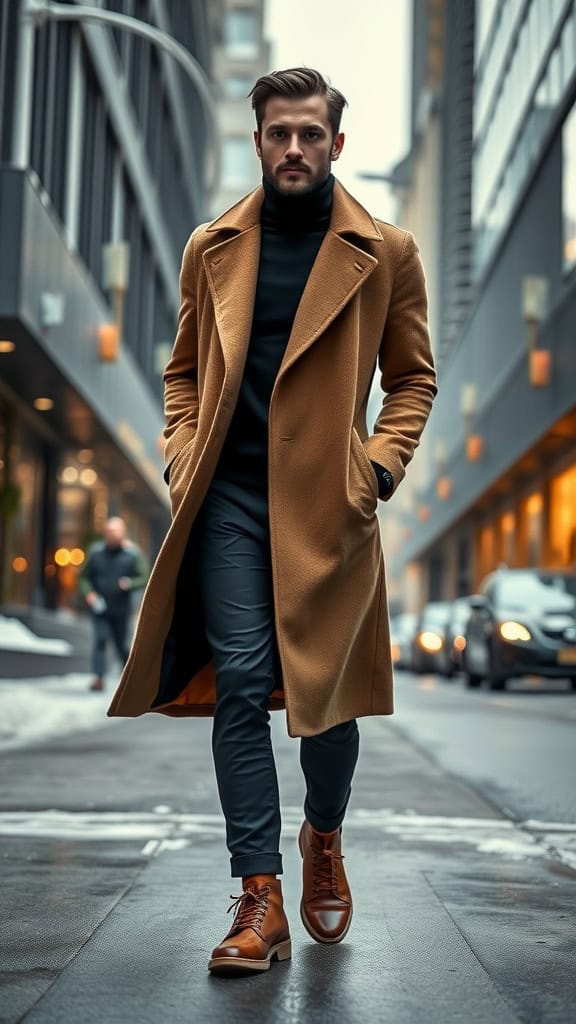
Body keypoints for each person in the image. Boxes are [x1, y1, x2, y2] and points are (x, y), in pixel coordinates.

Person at [108, 68, 437, 974]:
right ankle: (260, 899)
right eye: (279, 133)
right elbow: (181, 372)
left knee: (327, 705)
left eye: (311, 134)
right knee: (244, 684)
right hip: (230, 503)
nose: (295, 148)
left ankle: (321, 835)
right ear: (257, 141)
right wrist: (182, 458)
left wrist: (376, 467)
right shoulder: (210, 244)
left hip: (331, 505)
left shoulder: (388, 251)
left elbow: (413, 378)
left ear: (336, 143)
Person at [80, 516, 148, 692]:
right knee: (100, 640)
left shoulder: (132, 554)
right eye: (109, 531)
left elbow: (144, 577)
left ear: (123, 533)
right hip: (100, 607)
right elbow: (83, 577)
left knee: (121, 645)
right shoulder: (96, 552)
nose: (112, 534)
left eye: (116, 531)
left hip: (121, 608)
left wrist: (130, 584)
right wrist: (89, 594)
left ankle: (127, 677)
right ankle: (99, 678)